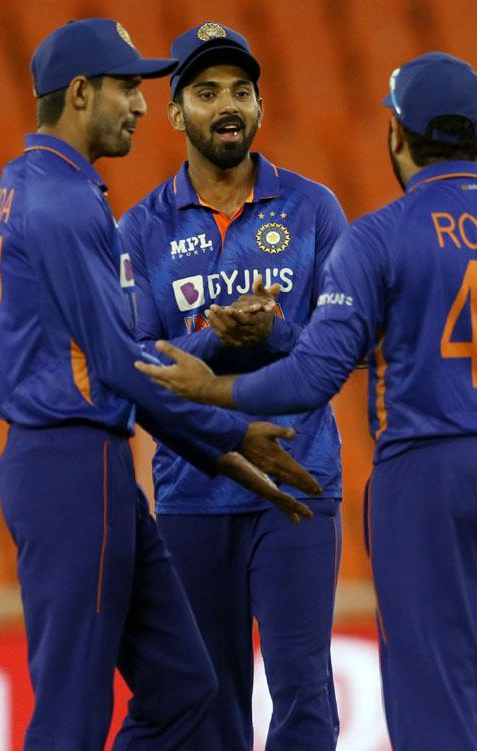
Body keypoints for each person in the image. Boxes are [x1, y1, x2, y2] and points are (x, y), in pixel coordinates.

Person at [137, 51, 477, 749]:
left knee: (436, 689)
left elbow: (313, 376)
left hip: (429, 473)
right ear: (476, 135)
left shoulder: (379, 235)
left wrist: (211, 385)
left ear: (398, 133)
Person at [0, 18, 322, 750]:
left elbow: (118, 361)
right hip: (70, 462)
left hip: (87, 463)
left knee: (185, 690)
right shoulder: (68, 200)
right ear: (80, 93)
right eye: (126, 88)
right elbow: (117, 362)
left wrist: (222, 448)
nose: (139, 104)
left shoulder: (28, 181)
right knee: (73, 707)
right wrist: (230, 435)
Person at [116, 22, 344, 750]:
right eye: (207, 91)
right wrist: (220, 333)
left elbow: (347, 348)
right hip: (193, 489)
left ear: (260, 105)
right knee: (207, 702)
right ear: (176, 111)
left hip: (298, 483)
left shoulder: (314, 210)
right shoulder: (141, 230)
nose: (228, 106)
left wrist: (269, 333)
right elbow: (139, 363)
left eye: (241, 91)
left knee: (305, 695)